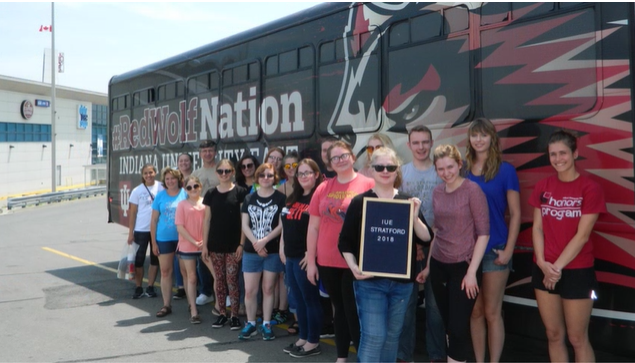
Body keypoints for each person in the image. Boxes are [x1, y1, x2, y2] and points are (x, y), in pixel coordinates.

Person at [339, 147, 433, 362]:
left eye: (390, 167)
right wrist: (354, 267)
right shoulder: (360, 202)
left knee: (392, 338)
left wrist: (415, 217)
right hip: (369, 282)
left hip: (402, 285)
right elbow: (345, 242)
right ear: (371, 170)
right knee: (374, 337)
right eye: (379, 167)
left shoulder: (409, 202)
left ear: (397, 170)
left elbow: (426, 238)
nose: (385, 171)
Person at [529, 130, 605, 362]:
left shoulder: (590, 188)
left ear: (575, 153)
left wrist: (556, 269)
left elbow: (582, 236)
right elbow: (537, 228)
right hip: (544, 269)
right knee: (553, 335)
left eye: (563, 153)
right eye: (553, 154)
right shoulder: (543, 186)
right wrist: (542, 263)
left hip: (577, 271)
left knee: (577, 338)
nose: (558, 158)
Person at [416, 144, 489, 363]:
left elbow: (483, 233)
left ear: (459, 164)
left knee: (458, 327)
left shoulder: (472, 190)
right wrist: (429, 267)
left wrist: (472, 272)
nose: (446, 173)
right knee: (448, 324)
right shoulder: (437, 191)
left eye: (450, 167)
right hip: (439, 264)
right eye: (441, 169)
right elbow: (437, 231)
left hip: (464, 266)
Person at [306, 140, 375, 362]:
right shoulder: (323, 188)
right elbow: (313, 227)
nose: (340, 160)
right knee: (340, 310)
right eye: (335, 158)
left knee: (353, 311)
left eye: (344, 155)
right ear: (330, 164)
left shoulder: (368, 184)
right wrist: (311, 260)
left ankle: (363, 356)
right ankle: (342, 356)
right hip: (327, 259)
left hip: (356, 260)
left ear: (353, 157)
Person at [465, 118, 521, 363]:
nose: (479, 140)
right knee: (475, 312)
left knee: (491, 312)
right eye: (474, 135)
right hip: (467, 252)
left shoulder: (506, 170)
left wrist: (509, 249)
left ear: (492, 138)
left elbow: (516, 213)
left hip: (495, 249)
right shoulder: (463, 170)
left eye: (483, 135)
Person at [397, 126, 446, 362]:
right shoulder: (402, 173)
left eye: (425, 142)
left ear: (432, 142)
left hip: (439, 246)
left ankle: (437, 355)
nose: (421, 147)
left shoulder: (441, 172)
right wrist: (413, 242)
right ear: (408, 145)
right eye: (415, 143)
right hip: (409, 246)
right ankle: (403, 356)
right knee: (405, 304)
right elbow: (397, 210)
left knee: (435, 307)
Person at [279, 158, 324, 358]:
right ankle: (303, 337)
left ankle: (313, 341)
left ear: (316, 175)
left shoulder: (319, 198)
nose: (304, 176)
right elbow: (285, 225)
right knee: (298, 300)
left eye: (308, 172)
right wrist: (282, 247)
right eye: (301, 173)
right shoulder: (293, 197)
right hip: (289, 256)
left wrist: (311, 253)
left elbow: (322, 229)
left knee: (310, 300)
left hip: (305, 258)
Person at [239, 163, 287, 341]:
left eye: (269, 175)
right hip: (251, 252)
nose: (265, 178)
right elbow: (244, 224)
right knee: (250, 290)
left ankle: (266, 323)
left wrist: (264, 241)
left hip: (272, 251)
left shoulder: (281, 198)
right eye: (262, 175)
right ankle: (250, 323)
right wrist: (256, 243)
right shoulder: (249, 198)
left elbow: (282, 224)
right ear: (257, 178)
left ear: (274, 177)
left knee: (268, 289)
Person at [202, 159, 248, 330]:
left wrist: (241, 244)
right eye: (220, 171)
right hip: (215, 245)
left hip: (233, 245)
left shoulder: (241, 192)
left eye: (227, 171)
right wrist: (204, 245)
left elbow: (245, 221)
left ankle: (235, 315)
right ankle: (222, 313)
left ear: (233, 172)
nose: (224, 174)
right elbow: (206, 220)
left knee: (232, 280)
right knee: (219, 281)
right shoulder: (210, 193)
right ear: (216, 173)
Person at [151, 167, 187, 318]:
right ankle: (166, 305)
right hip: (164, 238)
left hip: (183, 238)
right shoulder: (160, 196)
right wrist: (153, 243)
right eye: (167, 179)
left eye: (173, 178)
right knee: (166, 272)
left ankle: (191, 305)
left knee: (186, 272)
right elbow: (153, 221)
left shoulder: (185, 194)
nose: (170, 181)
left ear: (178, 180)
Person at [127, 163, 163, 299]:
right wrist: (131, 233)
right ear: (142, 175)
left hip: (158, 230)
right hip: (141, 229)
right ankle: (138, 287)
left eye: (151, 172)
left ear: (155, 173)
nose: (149, 175)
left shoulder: (161, 187)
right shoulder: (137, 191)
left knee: (155, 260)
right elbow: (133, 213)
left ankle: (150, 286)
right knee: (139, 260)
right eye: (146, 173)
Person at [191, 140, 219, 309]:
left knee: (220, 257)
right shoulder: (196, 173)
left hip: (219, 219)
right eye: (204, 151)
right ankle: (206, 292)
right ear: (200, 154)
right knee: (203, 255)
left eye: (210, 150)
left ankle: (225, 293)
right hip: (201, 220)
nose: (207, 153)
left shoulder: (221, 170)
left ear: (215, 152)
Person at [175, 175, 205, 324]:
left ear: (200, 186)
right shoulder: (182, 204)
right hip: (188, 245)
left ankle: (220, 306)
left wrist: (204, 241)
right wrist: (194, 241)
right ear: (185, 189)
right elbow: (180, 227)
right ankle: (193, 310)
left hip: (204, 245)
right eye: (189, 187)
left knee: (216, 274)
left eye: (195, 186)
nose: (193, 189)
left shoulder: (206, 202)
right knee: (192, 277)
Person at [174, 153, 194, 300]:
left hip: (192, 223)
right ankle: (181, 286)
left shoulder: (195, 177)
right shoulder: (174, 179)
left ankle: (194, 286)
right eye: (181, 161)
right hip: (177, 223)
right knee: (178, 256)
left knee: (193, 259)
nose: (184, 163)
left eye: (186, 160)